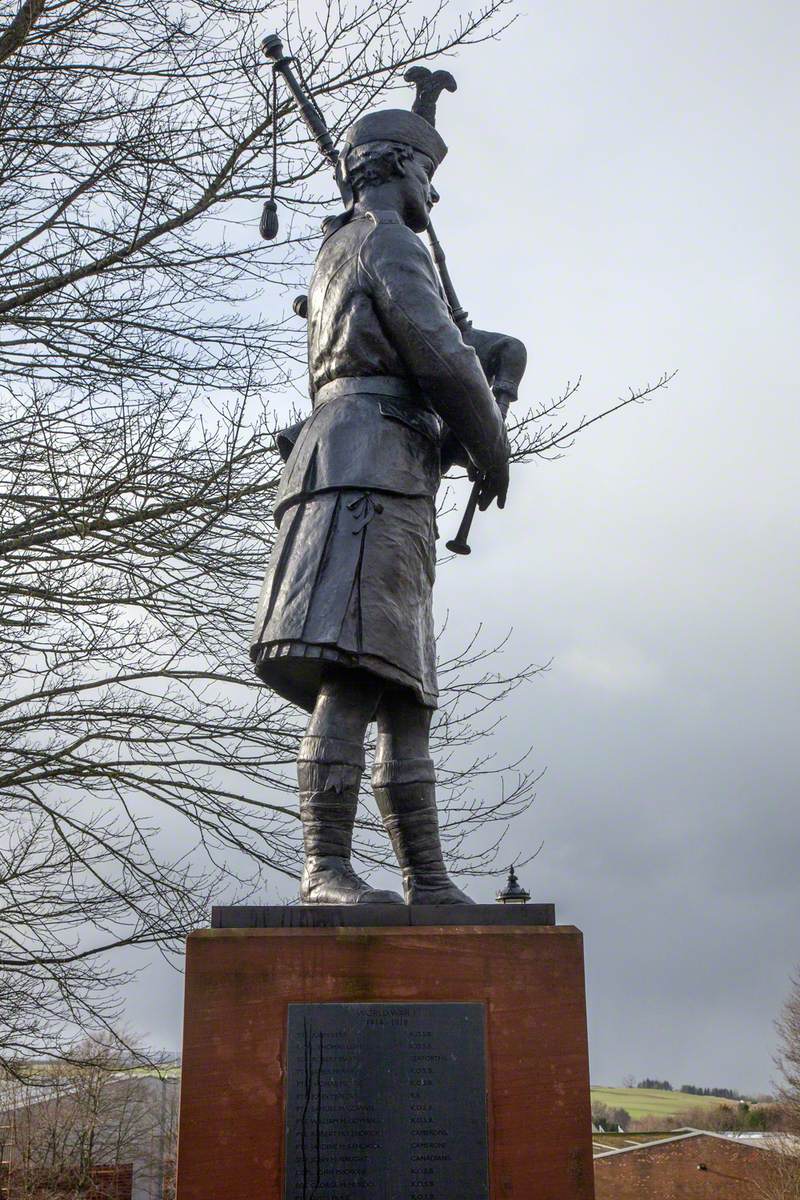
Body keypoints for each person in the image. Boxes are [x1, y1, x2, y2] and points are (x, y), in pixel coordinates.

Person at [250, 100, 522, 905]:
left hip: (374, 465)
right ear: (403, 169)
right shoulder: (391, 241)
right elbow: (437, 353)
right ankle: (324, 866)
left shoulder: (342, 247)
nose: (432, 198)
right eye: (427, 177)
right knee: (357, 672)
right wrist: (490, 442)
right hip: (368, 468)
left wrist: (502, 357)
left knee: (403, 684)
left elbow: (433, 346)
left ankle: (427, 879)